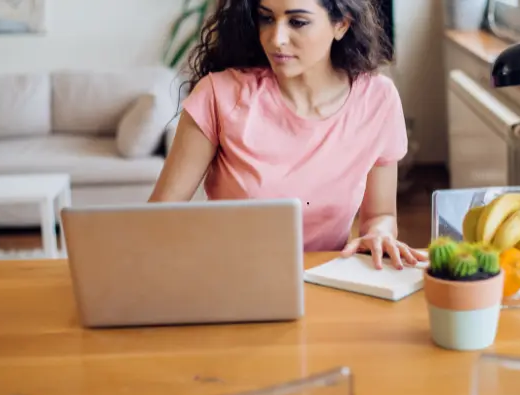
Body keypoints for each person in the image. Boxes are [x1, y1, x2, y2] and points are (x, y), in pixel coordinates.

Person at [148, 0, 428, 270]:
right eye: (267, 18)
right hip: (230, 280)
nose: (276, 38)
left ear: (341, 25)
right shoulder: (219, 95)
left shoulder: (377, 99)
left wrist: (379, 234)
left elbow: (381, 215)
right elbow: (158, 217)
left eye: (298, 22)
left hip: (327, 279)